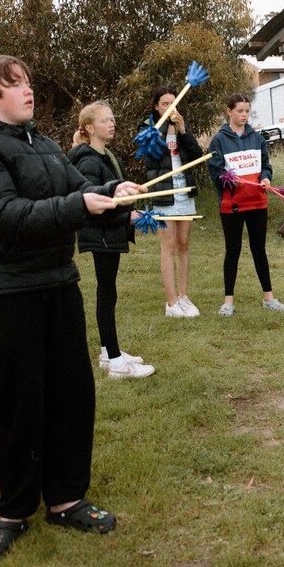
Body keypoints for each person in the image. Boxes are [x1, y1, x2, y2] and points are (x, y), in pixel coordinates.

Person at [0, 55, 146, 564]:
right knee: (20, 401)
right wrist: (80, 206)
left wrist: (112, 192)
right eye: (14, 84)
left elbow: (77, 190)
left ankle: (66, 498)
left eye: (28, 82)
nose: (28, 91)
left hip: (56, 280)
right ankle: (13, 511)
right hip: (3, 289)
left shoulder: (46, 145)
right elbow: (6, 216)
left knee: (71, 392)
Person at [69, 101, 155, 379]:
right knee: (106, 294)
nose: (112, 124)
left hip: (110, 233)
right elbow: (94, 205)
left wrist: (130, 206)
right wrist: (127, 217)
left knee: (109, 292)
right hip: (101, 235)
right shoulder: (88, 160)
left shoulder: (107, 155)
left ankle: (109, 352)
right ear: (89, 128)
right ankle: (116, 362)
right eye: (105, 120)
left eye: (112, 119)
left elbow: (116, 196)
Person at [208, 93, 284, 316]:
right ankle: (228, 302)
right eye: (239, 111)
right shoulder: (219, 140)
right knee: (232, 250)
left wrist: (265, 178)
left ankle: (269, 298)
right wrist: (228, 180)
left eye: (247, 111)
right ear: (229, 112)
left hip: (257, 203)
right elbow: (215, 172)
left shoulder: (257, 138)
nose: (244, 115)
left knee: (259, 250)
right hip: (231, 205)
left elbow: (266, 165)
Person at [139, 87, 203, 318]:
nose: (170, 108)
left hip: (184, 190)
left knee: (184, 243)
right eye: (165, 104)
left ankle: (184, 296)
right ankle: (171, 302)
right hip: (164, 192)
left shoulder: (181, 125)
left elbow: (196, 155)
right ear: (156, 106)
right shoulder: (148, 127)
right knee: (169, 245)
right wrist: (166, 126)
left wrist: (183, 131)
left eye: (173, 103)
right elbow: (151, 154)